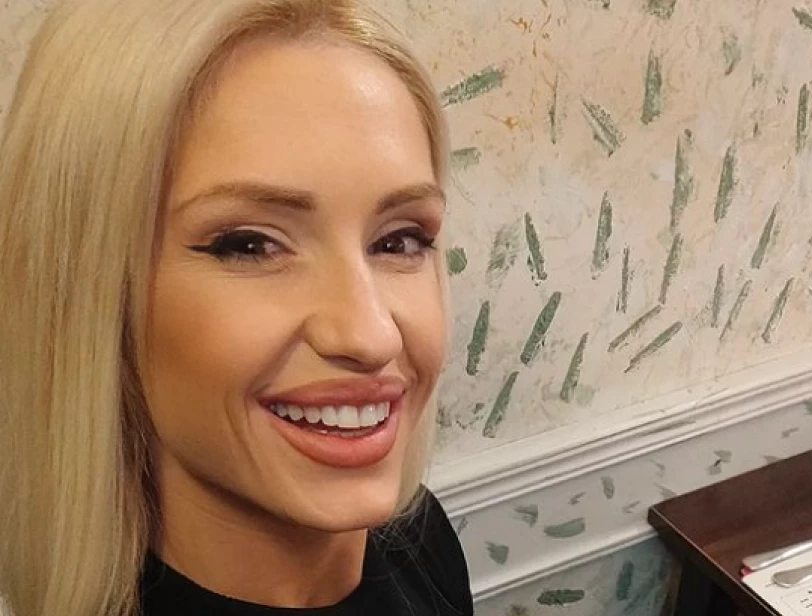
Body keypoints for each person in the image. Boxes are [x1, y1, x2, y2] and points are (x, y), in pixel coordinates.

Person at [0, 0, 472, 614]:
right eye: (249, 245)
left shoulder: (419, 541)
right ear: (94, 294)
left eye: (399, 240)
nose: (370, 334)